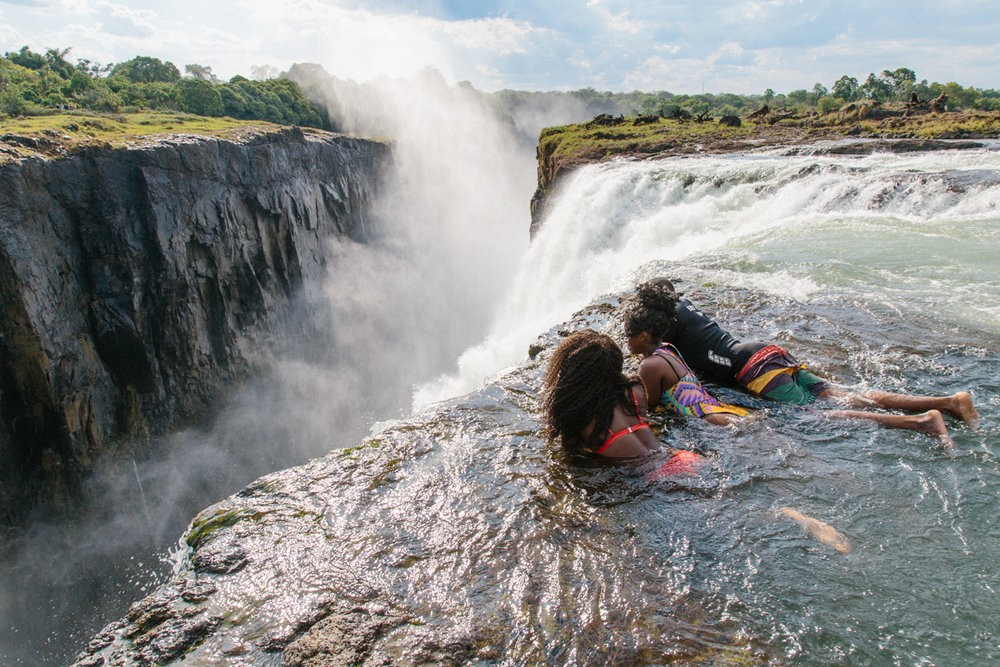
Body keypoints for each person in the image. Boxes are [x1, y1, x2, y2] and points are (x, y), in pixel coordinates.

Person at [623, 278, 979, 444]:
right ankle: (949, 402)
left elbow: (657, 368)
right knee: (838, 393)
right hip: (765, 352)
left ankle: (922, 423)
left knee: (816, 414)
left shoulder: (663, 332)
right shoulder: (682, 308)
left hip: (753, 371)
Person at [540, 329, 702, 476]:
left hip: (655, 477)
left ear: (575, 373)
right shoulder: (634, 389)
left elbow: (572, 454)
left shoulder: (576, 412)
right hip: (683, 457)